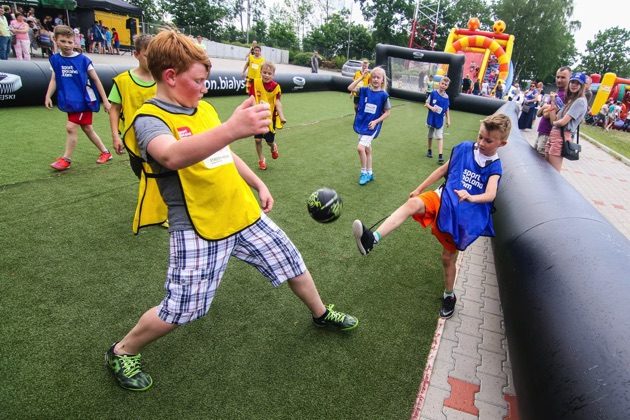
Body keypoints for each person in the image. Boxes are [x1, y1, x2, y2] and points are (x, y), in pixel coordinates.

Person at [104, 29, 358, 392]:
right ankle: (122, 350)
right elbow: (171, 156)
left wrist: (258, 183)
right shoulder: (149, 119)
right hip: (198, 226)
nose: (205, 87)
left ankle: (320, 313)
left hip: (241, 213)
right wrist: (232, 129)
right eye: (199, 80)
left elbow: (223, 152)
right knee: (183, 309)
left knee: (291, 260)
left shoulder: (203, 109)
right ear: (171, 77)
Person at [352, 113, 511, 319]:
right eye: (480, 136)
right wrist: (419, 188)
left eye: (488, 140)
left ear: (502, 143)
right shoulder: (464, 148)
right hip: (442, 198)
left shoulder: (495, 167)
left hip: (461, 217)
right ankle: (372, 239)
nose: (481, 142)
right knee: (412, 204)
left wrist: (471, 197)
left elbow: (491, 194)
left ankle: (449, 295)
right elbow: (441, 171)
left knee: (447, 258)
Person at [44, 25, 112, 171]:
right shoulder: (55, 60)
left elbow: (96, 80)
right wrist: (48, 96)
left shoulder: (83, 60)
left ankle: (66, 159)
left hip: (84, 101)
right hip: (70, 101)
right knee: (87, 128)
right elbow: (54, 80)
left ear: (75, 42)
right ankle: (106, 152)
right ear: (55, 40)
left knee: (70, 127)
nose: (67, 45)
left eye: (70, 42)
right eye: (63, 41)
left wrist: (105, 101)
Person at [108, 34, 155, 176]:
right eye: (147, 56)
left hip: (160, 136)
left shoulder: (163, 78)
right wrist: (116, 136)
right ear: (136, 54)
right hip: (133, 138)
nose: (153, 60)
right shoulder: (123, 81)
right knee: (141, 174)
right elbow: (114, 110)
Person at [347, 67, 391, 185]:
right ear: (370, 78)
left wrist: (376, 121)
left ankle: (364, 173)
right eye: (374, 77)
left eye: (378, 77)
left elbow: (387, 112)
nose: (376, 79)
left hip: (372, 127)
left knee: (360, 148)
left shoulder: (383, 95)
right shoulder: (364, 90)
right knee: (367, 150)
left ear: (382, 80)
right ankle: (370, 173)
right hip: (362, 124)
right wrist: (361, 77)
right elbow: (350, 88)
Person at [546, 72, 588, 171]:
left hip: (561, 136)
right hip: (555, 134)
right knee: (546, 168)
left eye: (577, 83)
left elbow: (562, 122)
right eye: (572, 82)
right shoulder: (572, 100)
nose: (574, 85)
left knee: (553, 172)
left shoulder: (580, 101)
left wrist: (555, 123)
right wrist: (552, 102)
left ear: (582, 86)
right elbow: (555, 119)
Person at [248, 61, 286, 170]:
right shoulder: (255, 83)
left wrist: (282, 116)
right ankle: (261, 160)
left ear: (273, 75)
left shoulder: (276, 87)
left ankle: (273, 146)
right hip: (257, 116)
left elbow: (278, 102)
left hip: (270, 118)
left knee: (269, 141)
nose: (266, 75)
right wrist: (256, 109)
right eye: (264, 72)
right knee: (257, 140)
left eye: (269, 73)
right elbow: (251, 98)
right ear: (260, 72)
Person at [534, 66, 570, 156]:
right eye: (558, 77)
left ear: (569, 78)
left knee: (539, 162)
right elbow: (539, 114)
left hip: (548, 133)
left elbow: (548, 115)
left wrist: (545, 108)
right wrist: (545, 108)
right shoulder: (558, 92)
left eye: (563, 77)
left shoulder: (566, 95)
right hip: (542, 131)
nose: (559, 80)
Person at [425, 76, 451, 164]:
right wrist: (431, 108)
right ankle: (429, 150)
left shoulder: (447, 97)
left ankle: (440, 155)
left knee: (439, 136)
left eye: (445, 85)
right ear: (439, 84)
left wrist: (448, 120)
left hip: (440, 119)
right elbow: (426, 104)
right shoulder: (433, 93)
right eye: (442, 83)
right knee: (430, 135)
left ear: (447, 86)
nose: (443, 86)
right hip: (432, 118)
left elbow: (447, 108)